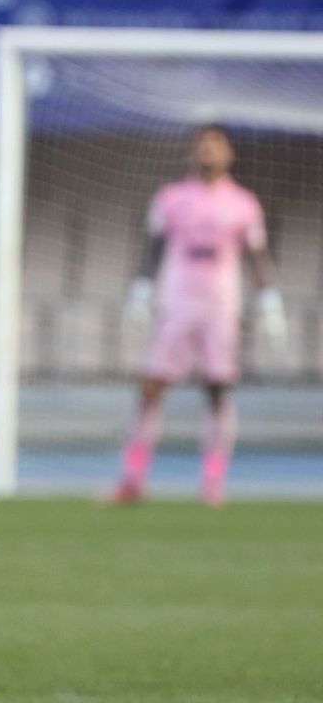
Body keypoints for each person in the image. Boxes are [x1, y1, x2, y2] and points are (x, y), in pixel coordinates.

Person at [111, 125, 284, 507]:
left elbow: (257, 255)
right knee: (151, 387)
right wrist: (141, 290)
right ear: (193, 153)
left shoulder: (243, 202)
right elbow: (153, 247)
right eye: (203, 146)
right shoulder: (171, 198)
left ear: (229, 154)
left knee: (217, 391)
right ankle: (133, 478)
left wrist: (269, 298)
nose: (209, 152)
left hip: (221, 306)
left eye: (216, 146)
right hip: (176, 303)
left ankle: (212, 482)